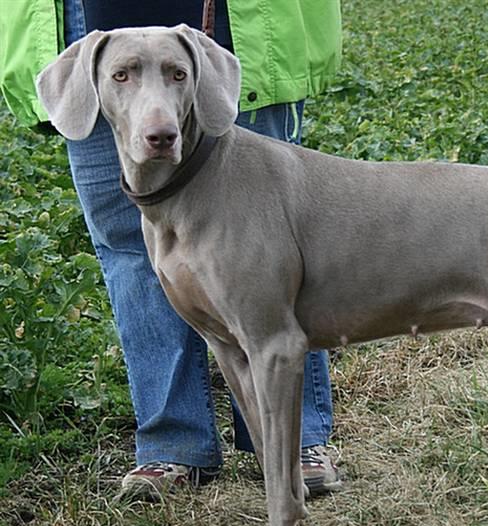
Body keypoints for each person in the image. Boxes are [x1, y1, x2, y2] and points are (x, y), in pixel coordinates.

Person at [0, 0, 343, 499]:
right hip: (83, 18)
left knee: (269, 249)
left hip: (237, 22)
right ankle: (174, 445)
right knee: (132, 248)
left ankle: (296, 441)